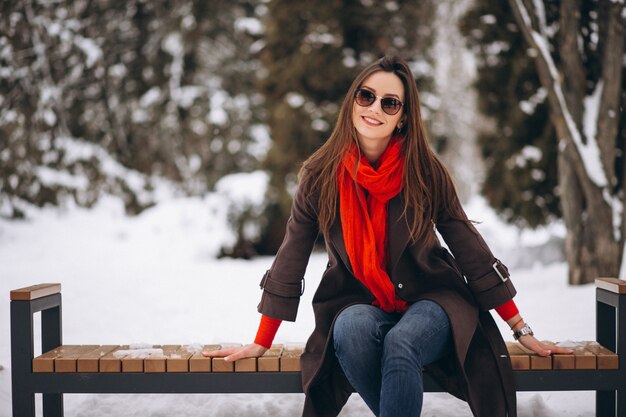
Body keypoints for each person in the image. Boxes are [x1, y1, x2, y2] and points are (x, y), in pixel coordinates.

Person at [205, 55, 572, 417]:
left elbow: (469, 247)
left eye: (390, 102)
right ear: (352, 102)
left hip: (434, 300)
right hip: (359, 303)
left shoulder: (425, 172)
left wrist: (520, 327)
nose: (374, 108)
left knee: (402, 341)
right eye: (366, 96)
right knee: (349, 327)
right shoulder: (319, 177)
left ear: (403, 117)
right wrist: (261, 340)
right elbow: (292, 255)